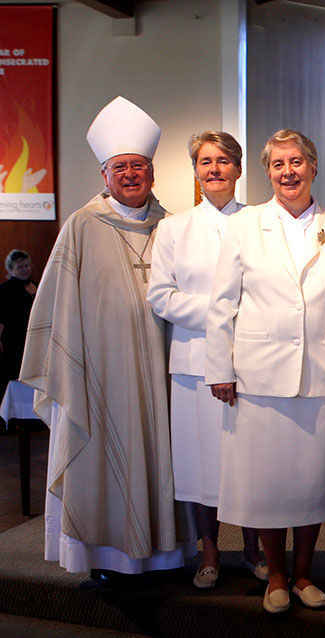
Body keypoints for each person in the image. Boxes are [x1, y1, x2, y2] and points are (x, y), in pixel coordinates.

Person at [20, 96, 193, 579]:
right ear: (105, 174)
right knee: (101, 462)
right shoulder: (81, 226)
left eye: (139, 166)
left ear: (153, 174)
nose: (131, 174)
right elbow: (56, 304)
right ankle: (102, 558)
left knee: (166, 457)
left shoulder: (174, 227)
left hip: (163, 370)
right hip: (100, 374)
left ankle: (166, 555)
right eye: (121, 167)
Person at [206, 129, 325, 614]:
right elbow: (220, 304)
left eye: (297, 162)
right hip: (259, 375)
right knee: (268, 484)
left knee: (312, 485)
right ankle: (277, 576)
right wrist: (219, 368)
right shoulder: (244, 226)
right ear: (267, 172)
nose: (288, 172)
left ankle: (306, 573)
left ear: (313, 166)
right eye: (278, 164)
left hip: (319, 373)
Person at [147, 131, 266, 589]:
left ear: (238, 170)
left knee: (248, 461)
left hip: (250, 359)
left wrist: (234, 313)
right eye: (204, 161)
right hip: (194, 362)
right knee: (200, 464)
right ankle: (209, 551)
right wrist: (221, 311)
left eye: (223, 161)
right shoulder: (174, 229)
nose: (214, 169)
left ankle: (255, 546)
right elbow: (161, 295)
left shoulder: (257, 222)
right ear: (195, 171)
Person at [0, 250, 37, 387]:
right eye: (20, 267)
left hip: (32, 338)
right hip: (13, 341)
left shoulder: (34, 285)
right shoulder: (4, 289)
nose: (25, 269)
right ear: (11, 269)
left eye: (27, 265)